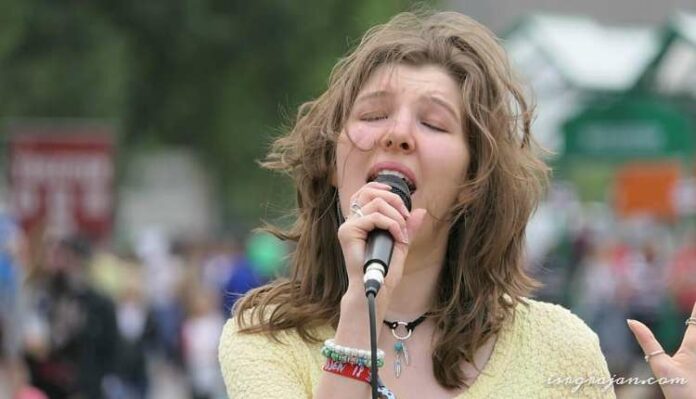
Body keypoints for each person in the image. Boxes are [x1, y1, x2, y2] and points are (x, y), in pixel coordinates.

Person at [218, 10, 696, 399]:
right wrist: (361, 315)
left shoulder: (559, 349)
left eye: (433, 123)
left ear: (473, 179)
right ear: (331, 159)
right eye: (374, 114)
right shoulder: (265, 337)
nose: (398, 134)